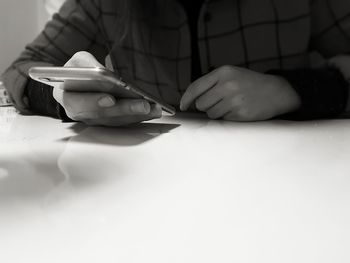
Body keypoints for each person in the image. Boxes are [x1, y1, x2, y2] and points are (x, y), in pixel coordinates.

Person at [2, 0, 350, 126]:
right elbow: (21, 70)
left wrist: (292, 90)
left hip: (292, 186)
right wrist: (65, 100)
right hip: (145, 195)